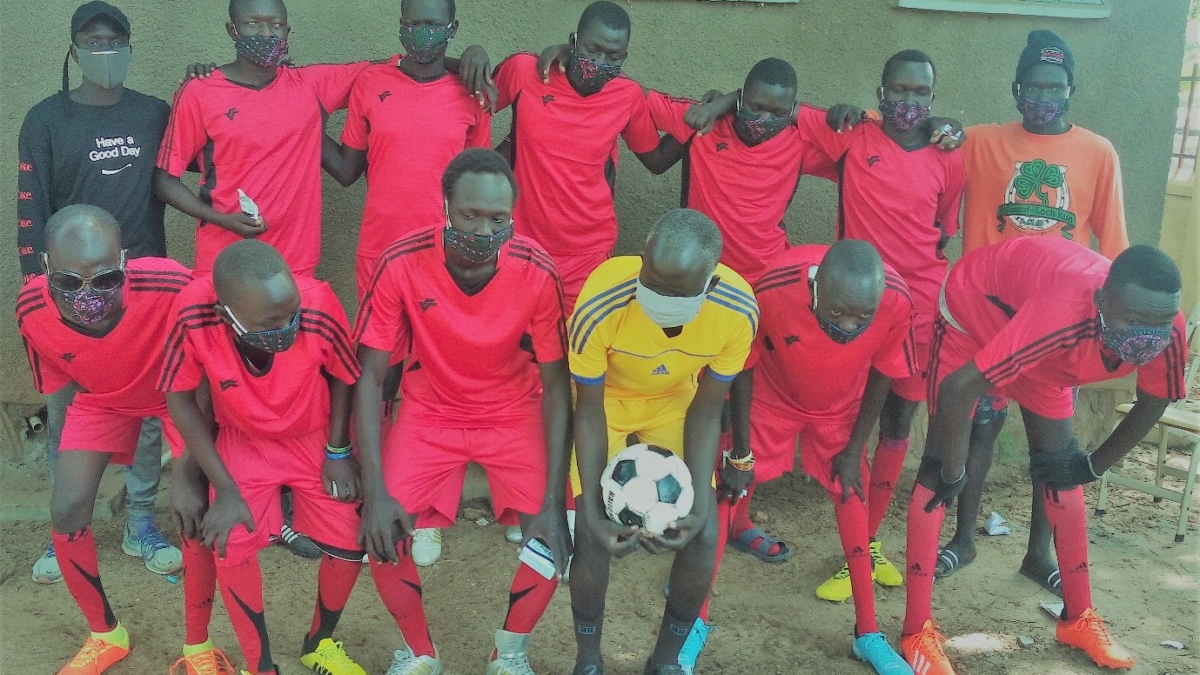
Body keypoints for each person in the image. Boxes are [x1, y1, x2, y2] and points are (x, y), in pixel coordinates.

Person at [900, 238, 1187, 675]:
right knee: (938, 472)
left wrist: (1091, 465)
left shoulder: (1166, 324)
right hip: (975, 311)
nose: (1147, 337)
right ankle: (916, 631)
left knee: (1062, 473)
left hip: (1041, 340)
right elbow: (958, 389)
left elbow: (1154, 400)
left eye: (1160, 324)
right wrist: (955, 471)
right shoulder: (1063, 316)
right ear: (1101, 302)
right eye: (1133, 320)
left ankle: (1078, 617)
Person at [353, 148, 571, 675]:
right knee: (381, 531)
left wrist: (549, 497)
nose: (482, 229)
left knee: (560, 526)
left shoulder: (538, 271)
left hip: (513, 412)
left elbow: (558, 386)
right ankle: (419, 651)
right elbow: (369, 376)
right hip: (430, 411)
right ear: (445, 206)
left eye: (497, 219)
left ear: (512, 217)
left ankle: (510, 652)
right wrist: (375, 489)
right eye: (469, 214)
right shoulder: (402, 260)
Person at [935, 30, 1132, 592]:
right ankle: (963, 540)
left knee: (1054, 447)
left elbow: (1114, 247)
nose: (1044, 96)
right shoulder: (981, 141)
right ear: (1016, 88)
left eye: (1056, 86)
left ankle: (1037, 554)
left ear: (1071, 90)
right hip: (987, 316)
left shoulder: (1098, 152)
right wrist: (933, 123)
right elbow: (925, 132)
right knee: (979, 428)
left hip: (1062, 326)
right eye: (1035, 85)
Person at [321, 0, 492, 566]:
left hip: (448, 262)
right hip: (381, 259)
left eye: (434, 24)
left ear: (453, 30)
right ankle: (378, 495)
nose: (423, 34)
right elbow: (347, 169)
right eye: (413, 23)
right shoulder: (373, 83)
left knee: (436, 383)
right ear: (400, 27)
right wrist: (300, 115)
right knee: (382, 379)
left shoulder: (472, 90)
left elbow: (480, 181)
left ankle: (426, 511)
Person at [17, 0, 181, 586]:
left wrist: (203, 88)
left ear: (131, 47)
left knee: (149, 412)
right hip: (69, 294)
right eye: (93, 40)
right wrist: (38, 284)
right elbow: (30, 206)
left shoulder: (154, 114)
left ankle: (141, 522)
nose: (105, 50)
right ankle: (66, 532)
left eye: (116, 40)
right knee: (67, 410)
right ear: (74, 49)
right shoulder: (45, 119)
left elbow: (188, 163)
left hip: (141, 292)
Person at [791, 50, 964, 600]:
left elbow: (942, 230)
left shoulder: (948, 156)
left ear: (932, 99)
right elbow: (786, 115)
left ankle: (865, 549)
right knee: (852, 423)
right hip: (861, 301)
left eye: (920, 93)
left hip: (918, 308)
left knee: (897, 421)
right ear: (880, 91)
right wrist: (847, 111)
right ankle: (852, 540)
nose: (908, 102)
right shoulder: (853, 136)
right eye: (898, 90)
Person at [161, 239, 370, 675]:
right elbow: (179, 398)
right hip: (243, 439)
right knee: (230, 538)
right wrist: (223, 487)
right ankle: (262, 665)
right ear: (227, 317)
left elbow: (344, 377)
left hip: (311, 435)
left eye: (291, 312)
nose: (288, 326)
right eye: (270, 321)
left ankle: (320, 642)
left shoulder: (317, 304)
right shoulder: (194, 313)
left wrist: (338, 451)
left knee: (350, 537)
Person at [568, 208, 757, 675]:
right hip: (606, 404)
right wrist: (592, 510)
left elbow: (708, 408)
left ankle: (666, 661)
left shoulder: (737, 311)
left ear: (709, 285)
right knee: (592, 536)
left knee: (704, 533)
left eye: (675, 292)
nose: (657, 296)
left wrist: (698, 506)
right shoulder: (601, 301)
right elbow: (588, 409)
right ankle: (589, 660)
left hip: (676, 403)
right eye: (650, 280)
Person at [16, 205, 193, 675]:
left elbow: (214, 347)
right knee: (68, 507)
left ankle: (199, 647)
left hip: (174, 397)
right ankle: (106, 634)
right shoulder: (31, 309)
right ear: (48, 269)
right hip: (104, 400)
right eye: (70, 282)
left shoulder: (174, 285)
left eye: (106, 277)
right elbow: (60, 383)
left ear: (126, 260)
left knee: (195, 508)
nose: (88, 295)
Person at [723, 241, 915, 674]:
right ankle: (690, 617)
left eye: (862, 316)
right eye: (836, 312)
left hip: (839, 410)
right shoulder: (772, 288)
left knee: (852, 494)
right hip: (772, 397)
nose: (849, 325)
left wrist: (853, 449)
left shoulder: (896, 301)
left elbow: (884, 373)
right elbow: (743, 363)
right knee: (728, 488)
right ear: (816, 288)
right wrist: (740, 449)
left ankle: (867, 633)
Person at [454, 0, 668, 312]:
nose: (600, 61)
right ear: (574, 42)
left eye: (614, 56)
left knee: (574, 352)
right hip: (522, 243)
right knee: (516, 344)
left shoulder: (628, 96)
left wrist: (710, 118)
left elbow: (656, 160)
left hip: (589, 254)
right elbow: (473, 95)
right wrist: (469, 55)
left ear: (624, 57)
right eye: (593, 50)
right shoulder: (526, 71)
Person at [154, 0, 370, 277]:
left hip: (295, 263)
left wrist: (446, 62)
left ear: (287, 32)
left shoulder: (308, 85)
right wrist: (222, 220)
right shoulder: (200, 91)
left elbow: (387, 70)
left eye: (276, 24)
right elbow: (164, 181)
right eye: (252, 24)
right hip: (225, 260)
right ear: (233, 30)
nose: (266, 33)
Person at [644, 58, 835, 286]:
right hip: (698, 269)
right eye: (756, 107)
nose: (763, 120)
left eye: (777, 113)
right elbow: (634, 96)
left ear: (792, 110)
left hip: (764, 276)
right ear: (742, 98)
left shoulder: (799, 144)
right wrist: (719, 106)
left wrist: (727, 101)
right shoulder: (704, 123)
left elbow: (859, 149)